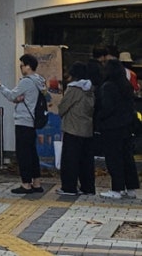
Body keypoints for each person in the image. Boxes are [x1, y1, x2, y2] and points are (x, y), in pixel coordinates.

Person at [0, 54, 46, 194]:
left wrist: (0, 86)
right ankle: (36, 183)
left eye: (22, 65)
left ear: (28, 66)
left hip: (23, 120)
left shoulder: (27, 82)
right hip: (33, 121)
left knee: (23, 154)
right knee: (32, 153)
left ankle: (26, 184)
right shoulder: (39, 81)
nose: (21, 68)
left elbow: (11, 95)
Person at [96, 59, 140, 199]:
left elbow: (107, 108)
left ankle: (117, 189)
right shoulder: (126, 85)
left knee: (114, 158)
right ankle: (131, 188)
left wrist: (98, 118)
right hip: (126, 127)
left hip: (111, 127)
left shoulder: (108, 86)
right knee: (127, 157)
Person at [56, 62, 95, 196]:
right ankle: (88, 187)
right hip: (87, 129)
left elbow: (63, 107)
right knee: (86, 161)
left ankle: (69, 187)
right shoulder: (90, 89)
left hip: (73, 128)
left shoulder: (73, 89)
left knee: (70, 160)